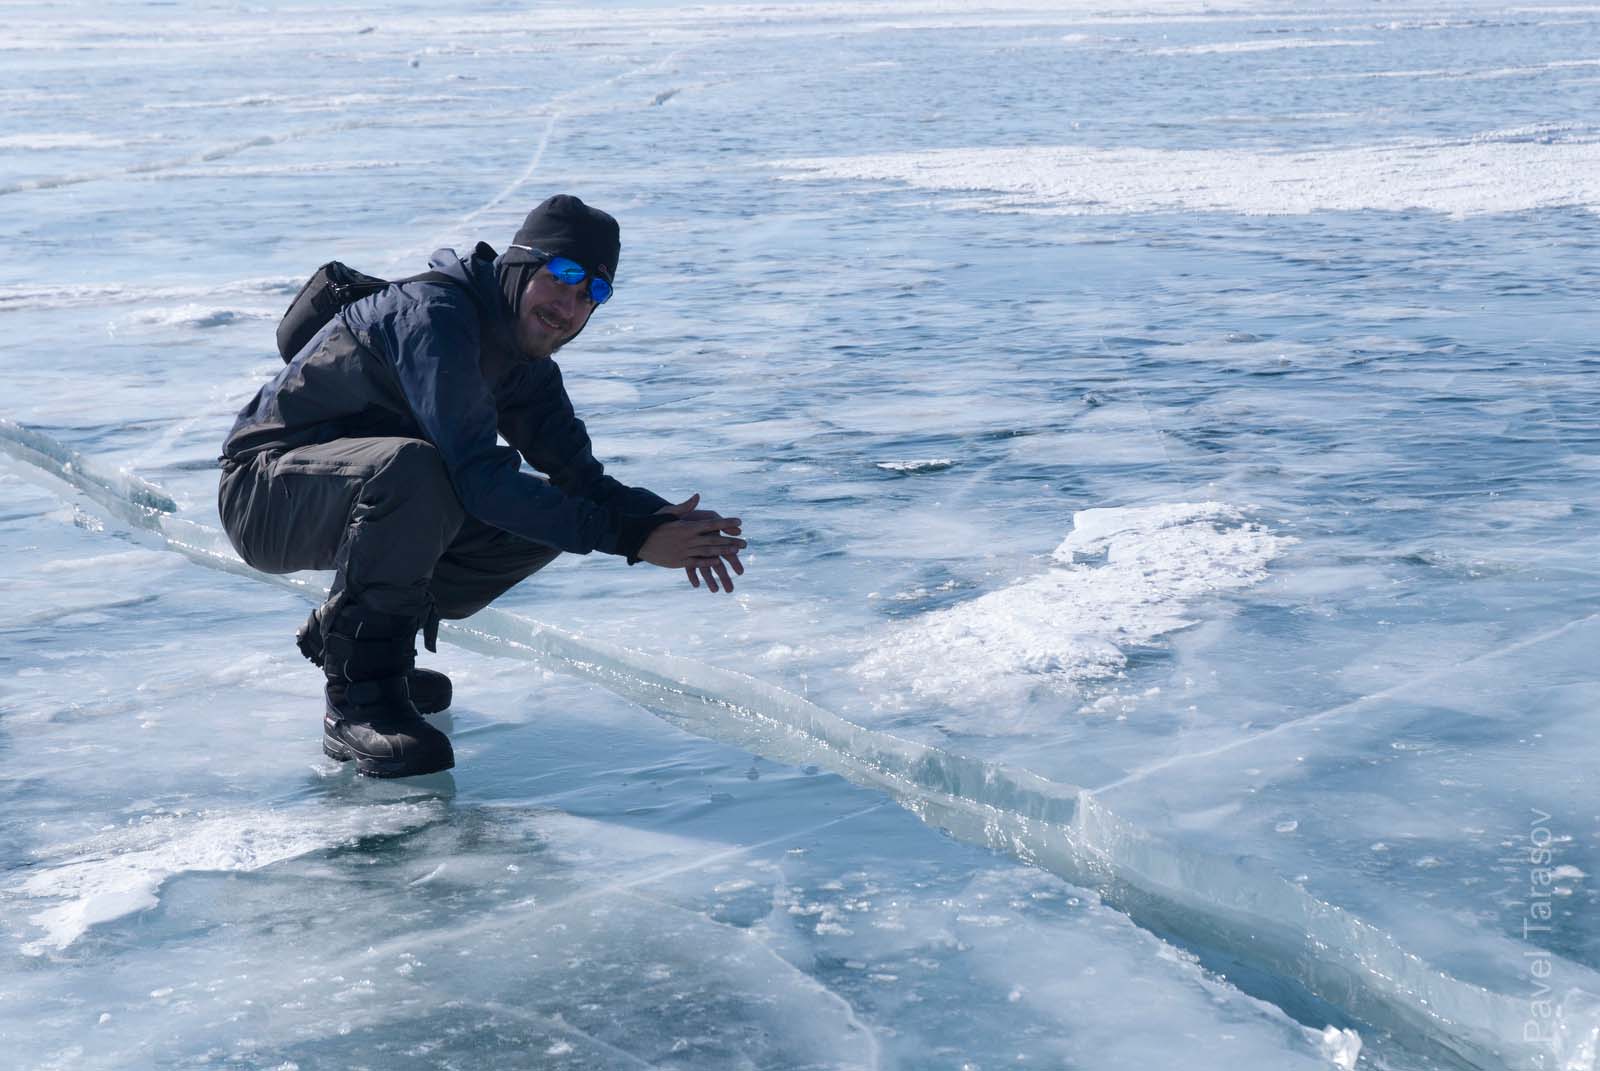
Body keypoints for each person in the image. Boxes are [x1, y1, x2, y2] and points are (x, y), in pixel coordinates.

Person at [217, 194, 746, 778]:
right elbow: (475, 477)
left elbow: (583, 482)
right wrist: (630, 539)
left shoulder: (528, 368)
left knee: (550, 512)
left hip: (357, 492)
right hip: (265, 492)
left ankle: (368, 643)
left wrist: (659, 521)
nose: (568, 306)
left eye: (591, 294)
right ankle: (358, 700)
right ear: (520, 265)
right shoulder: (434, 317)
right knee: (422, 472)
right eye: (562, 277)